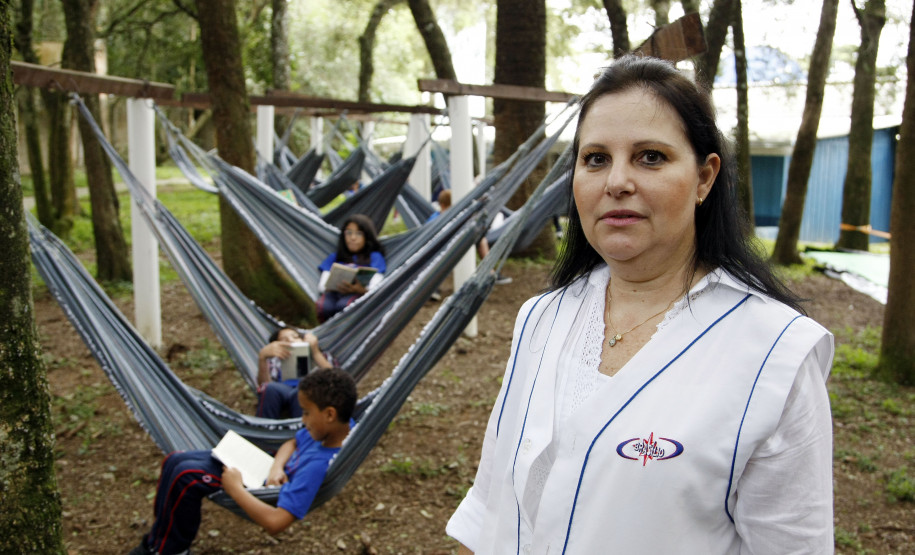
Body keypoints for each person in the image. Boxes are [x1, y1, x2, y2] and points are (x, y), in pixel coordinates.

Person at [447, 55, 835, 554]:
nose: (617, 182)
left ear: (704, 177)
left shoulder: (773, 357)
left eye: (650, 156)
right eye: (596, 159)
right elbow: (492, 507)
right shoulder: (540, 319)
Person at [131, 368, 357, 555]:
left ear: (329, 414)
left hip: (258, 488)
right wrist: (276, 467)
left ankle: (170, 550)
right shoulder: (332, 429)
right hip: (265, 467)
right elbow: (292, 443)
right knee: (174, 460)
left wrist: (236, 489)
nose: (303, 419)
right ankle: (156, 542)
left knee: (185, 476)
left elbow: (276, 523)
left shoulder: (316, 468)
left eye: (306, 412)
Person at [428, 189, 512, 287]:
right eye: (450, 208)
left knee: (481, 240)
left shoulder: (453, 217)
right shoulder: (435, 219)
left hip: (455, 243)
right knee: (478, 239)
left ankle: (490, 272)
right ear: (442, 206)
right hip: (441, 248)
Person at [316, 214, 386, 322]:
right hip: (333, 293)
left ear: (367, 237)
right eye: (348, 233)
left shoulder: (374, 257)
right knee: (323, 307)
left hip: (358, 294)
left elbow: (376, 285)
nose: (352, 238)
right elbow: (322, 285)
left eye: (359, 233)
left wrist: (361, 290)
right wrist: (332, 286)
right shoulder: (335, 257)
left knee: (344, 306)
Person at [256, 327, 335, 419]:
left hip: (310, 389)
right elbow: (263, 386)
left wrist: (315, 352)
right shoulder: (274, 360)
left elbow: (335, 378)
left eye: (295, 337)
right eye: (284, 340)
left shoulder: (321, 355)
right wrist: (262, 358)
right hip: (283, 389)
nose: (290, 340)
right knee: (269, 389)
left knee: (302, 391)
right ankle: (264, 428)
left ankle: (302, 430)